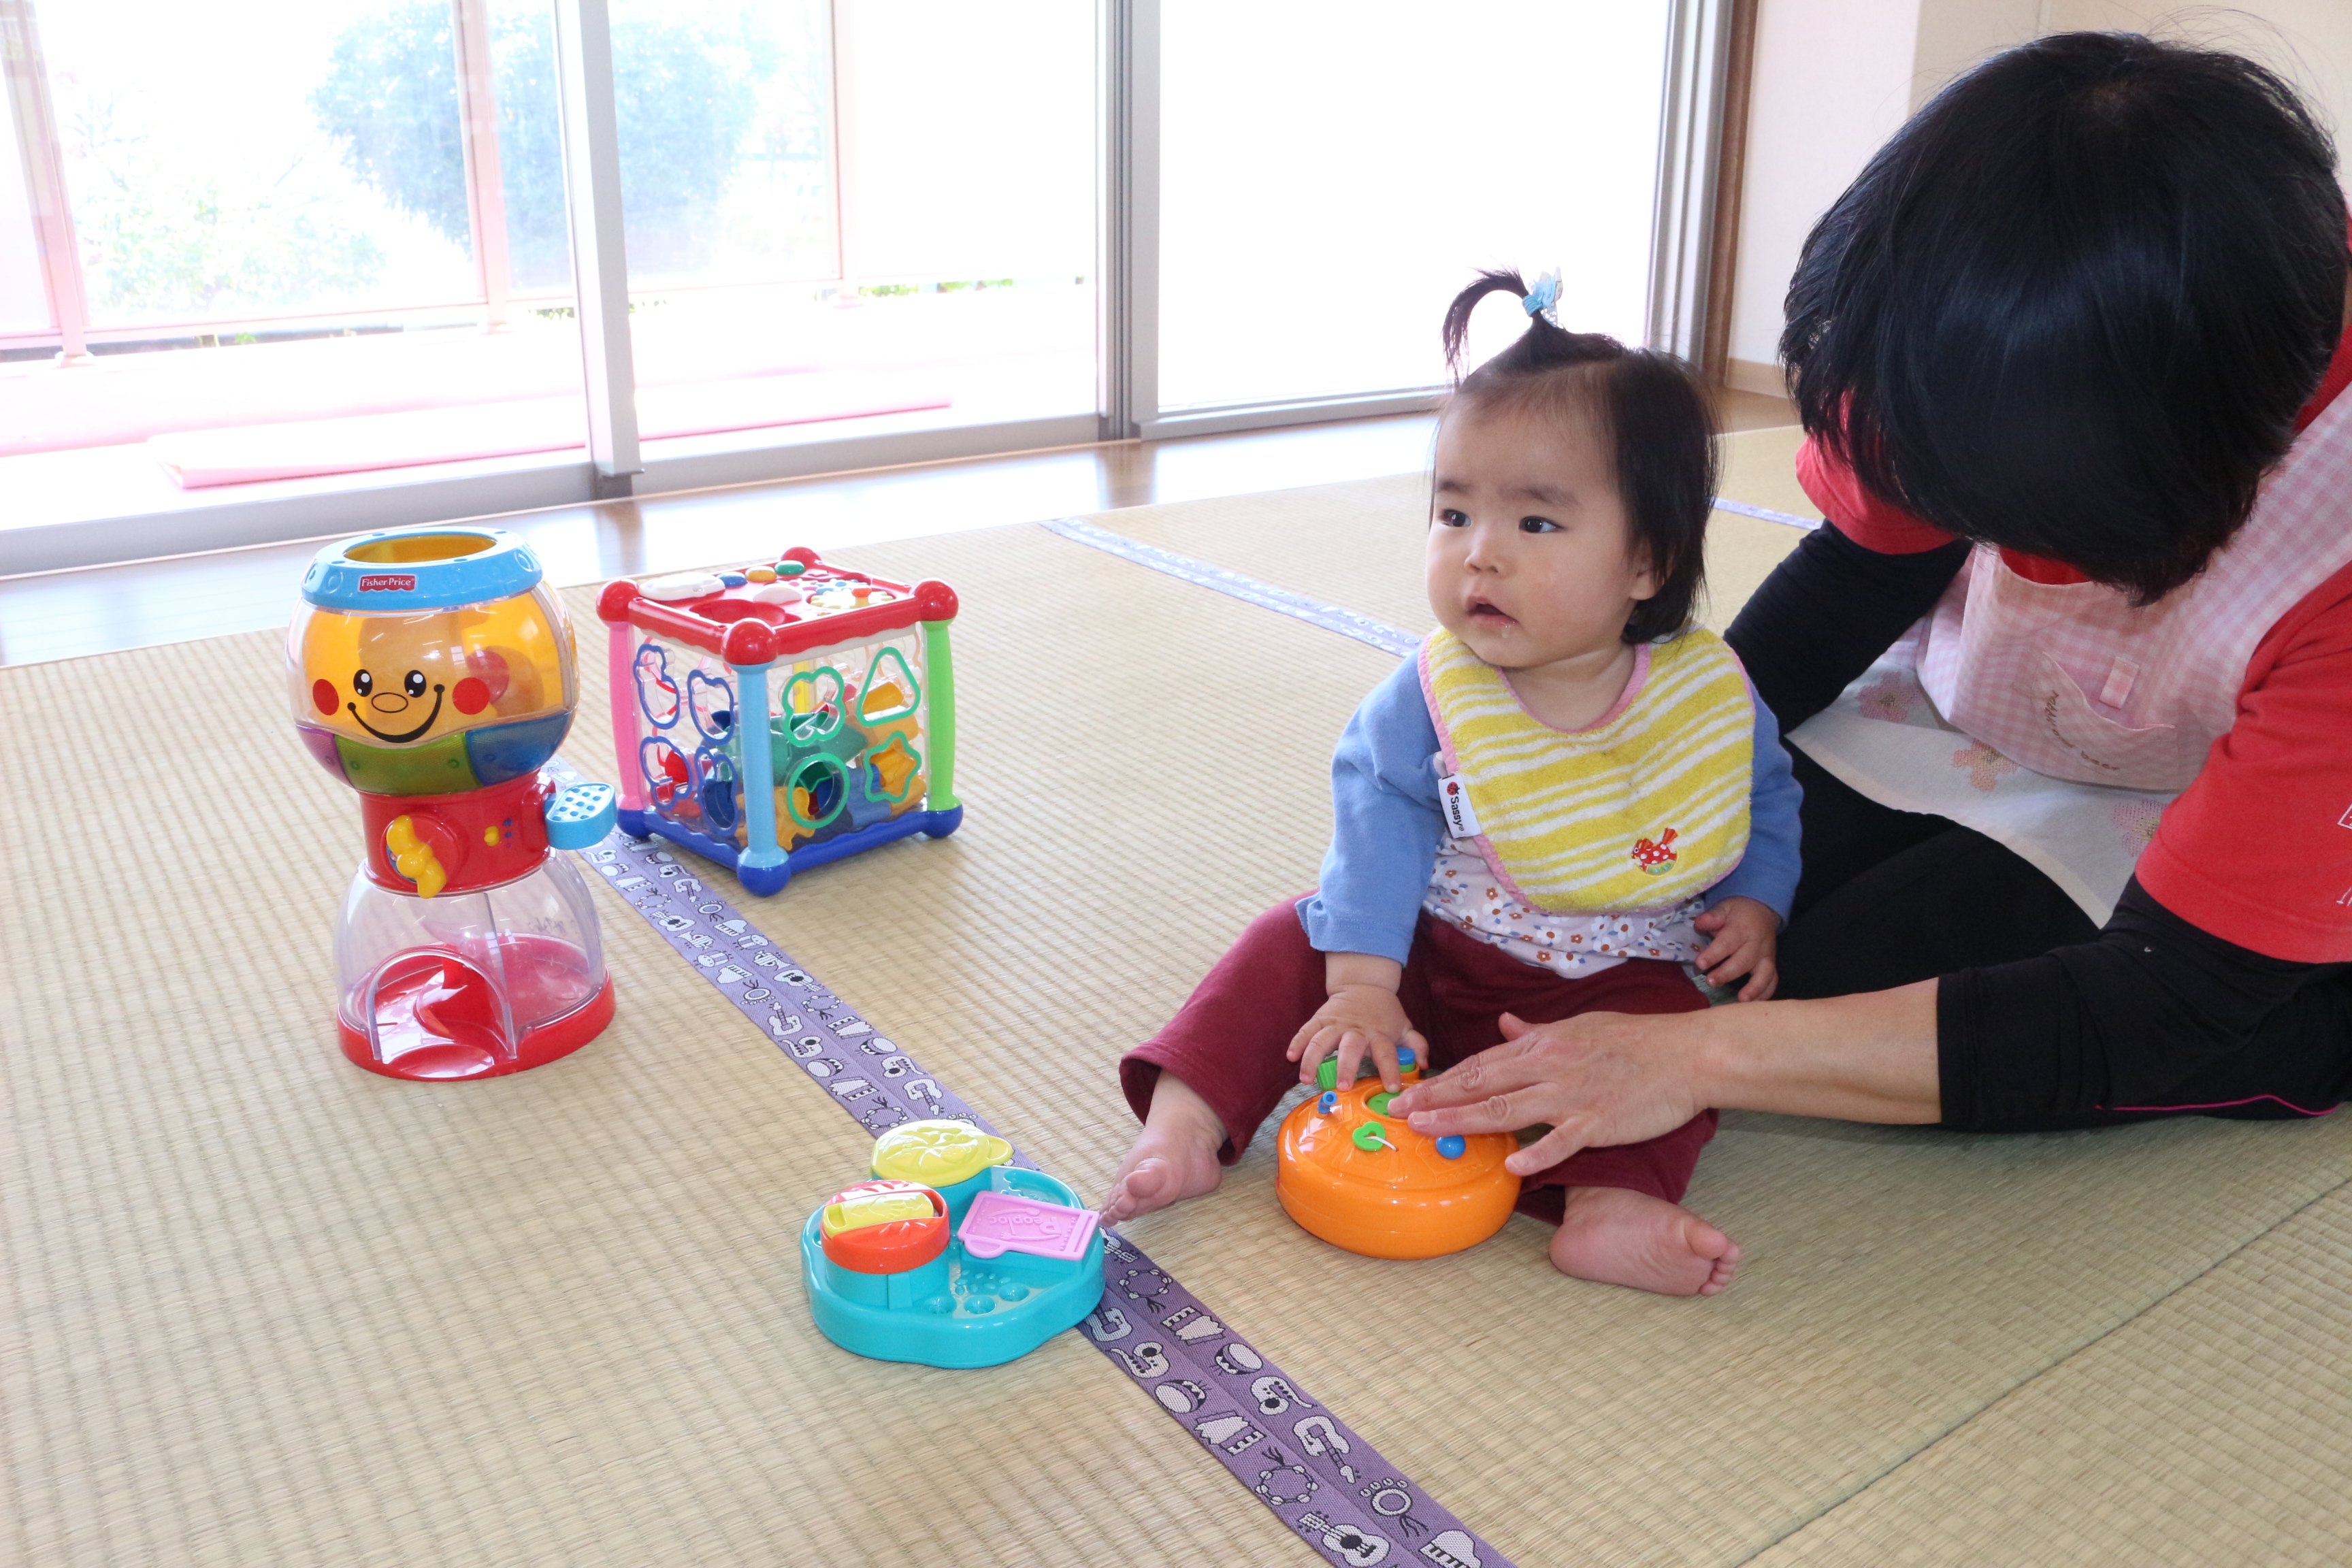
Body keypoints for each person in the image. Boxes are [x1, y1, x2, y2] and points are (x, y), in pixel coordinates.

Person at [1389, 33, 2352, 1171]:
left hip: (2274, 811)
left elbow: (2172, 996)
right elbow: (1858, 571)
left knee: (2181, 1022)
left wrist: (1695, 1060)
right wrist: (1651, 742)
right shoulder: (1964, 327)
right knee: (1746, 921)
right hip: (2011, 714)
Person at [1096, 272, 1802, 1296]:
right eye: (1455, 511)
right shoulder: (1433, 697)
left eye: (1537, 525)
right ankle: (1187, 1124)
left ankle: (1612, 1208)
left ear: (1646, 562)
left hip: (1610, 991)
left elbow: (1764, 796)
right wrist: (1363, 989)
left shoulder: (1702, 693)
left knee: (1681, 1049)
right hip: (1427, 966)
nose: (1482, 555)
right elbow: (1374, 831)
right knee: (1287, 937)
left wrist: (1756, 902)